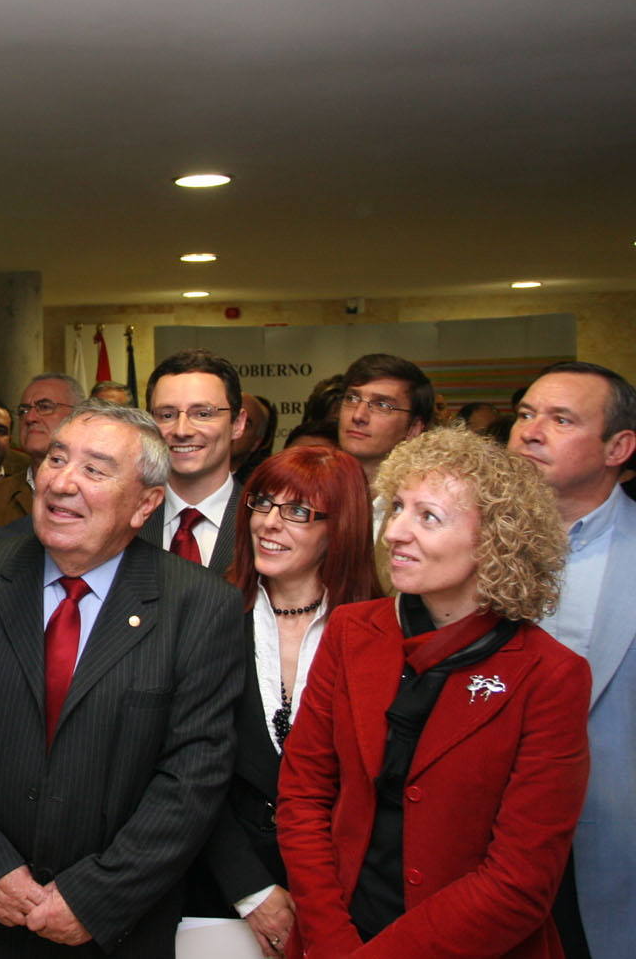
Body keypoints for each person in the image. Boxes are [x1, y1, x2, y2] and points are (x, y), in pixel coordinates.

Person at [0, 399, 245, 957]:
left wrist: (96, 896)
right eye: (57, 460)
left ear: (146, 504)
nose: (62, 482)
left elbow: (193, 776)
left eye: (94, 470)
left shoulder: (200, 607)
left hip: (116, 927)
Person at [278, 426, 589, 958]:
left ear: (496, 542)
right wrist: (331, 942)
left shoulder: (549, 675)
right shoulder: (353, 633)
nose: (396, 531)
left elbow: (520, 880)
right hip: (336, 938)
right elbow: (303, 800)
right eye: (397, 507)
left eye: (428, 517)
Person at [186, 447, 378, 958]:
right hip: (222, 894)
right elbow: (183, 767)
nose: (269, 524)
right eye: (262, 504)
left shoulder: (379, 631)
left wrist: (323, 901)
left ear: (342, 528)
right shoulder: (206, 613)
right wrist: (251, 889)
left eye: (297, 512)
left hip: (349, 899)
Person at [508, 361, 636, 959]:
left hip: (612, 855)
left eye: (561, 419)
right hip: (484, 856)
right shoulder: (453, 547)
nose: (531, 431)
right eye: (526, 414)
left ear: (619, 447)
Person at [141, 349, 248, 573]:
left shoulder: (261, 522)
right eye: (167, 415)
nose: (182, 430)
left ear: (237, 424)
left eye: (203, 414)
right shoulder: (125, 519)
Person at [0, 373, 85, 527]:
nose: (30, 418)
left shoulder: (98, 492)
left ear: (78, 415)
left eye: (45, 407)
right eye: (23, 410)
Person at [336, 353, 433, 487]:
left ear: (414, 428)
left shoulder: (424, 499)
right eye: (352, 398)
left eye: (382, 405)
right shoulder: (313, 489)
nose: (358, 416)